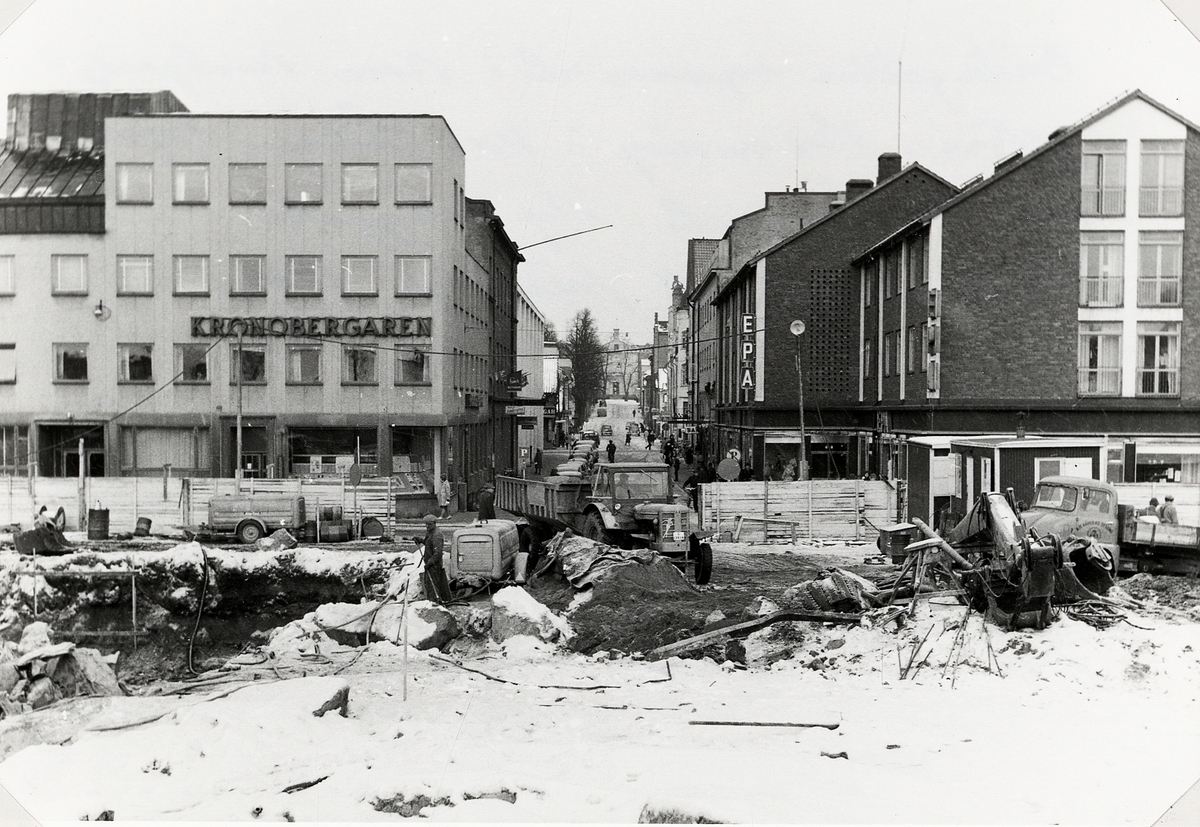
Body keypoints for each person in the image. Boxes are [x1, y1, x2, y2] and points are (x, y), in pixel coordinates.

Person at [419, 514, 452, 604]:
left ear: (434, 524)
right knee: (429, 584)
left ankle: (434, 603)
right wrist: (420, 540)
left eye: (429, 524)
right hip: (430, 563)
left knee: (433, 585)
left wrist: (430, 562)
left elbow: (438, 553)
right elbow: (428, 543)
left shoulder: (437, 535)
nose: (427, 526)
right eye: (426, 524)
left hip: (434, 565)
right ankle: (431, 601)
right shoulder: (430, 532)